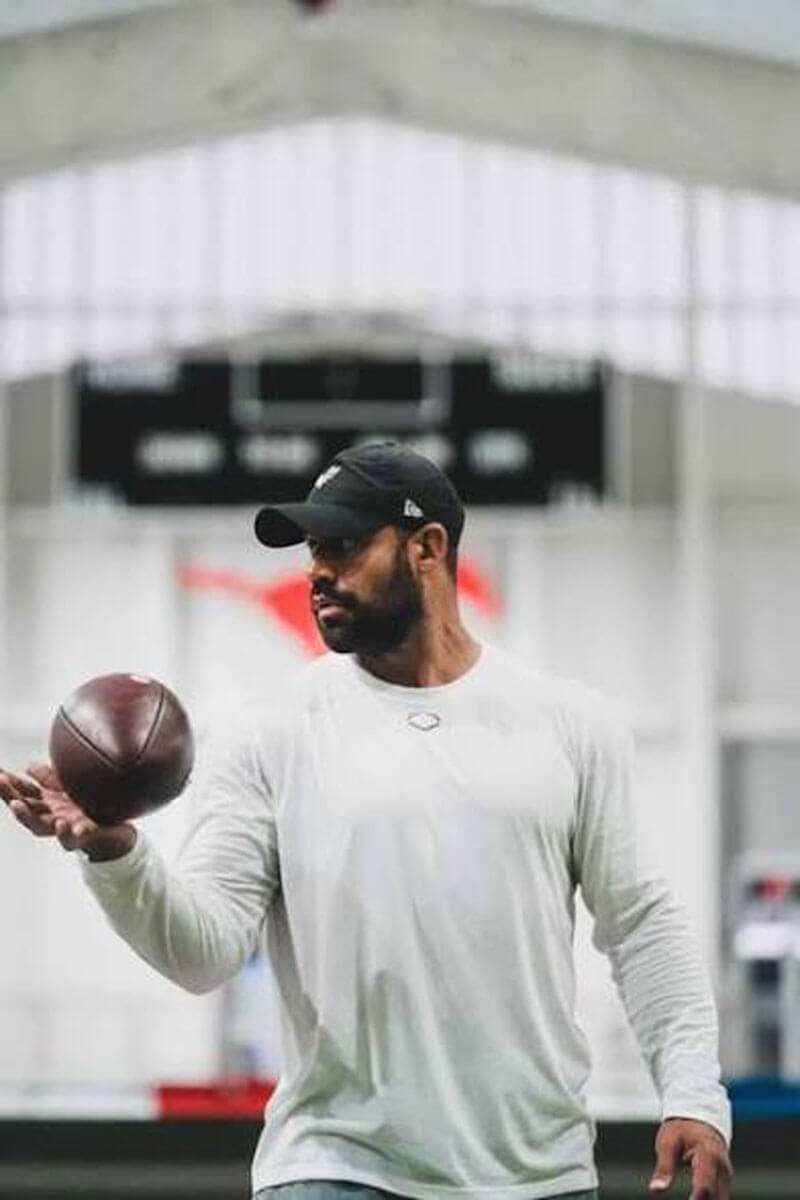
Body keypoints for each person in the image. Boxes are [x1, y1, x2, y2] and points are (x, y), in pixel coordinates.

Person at [1, 441, 732, 1200]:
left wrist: (693, 1095)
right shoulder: (271, 732)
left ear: (428, 547)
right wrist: (117, 856)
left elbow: (642, 926)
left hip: (537, 1176)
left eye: (344, 546)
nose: (317, 570)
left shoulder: (569, 723)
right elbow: (204, 952)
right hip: (333, 1169)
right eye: (314, 549)